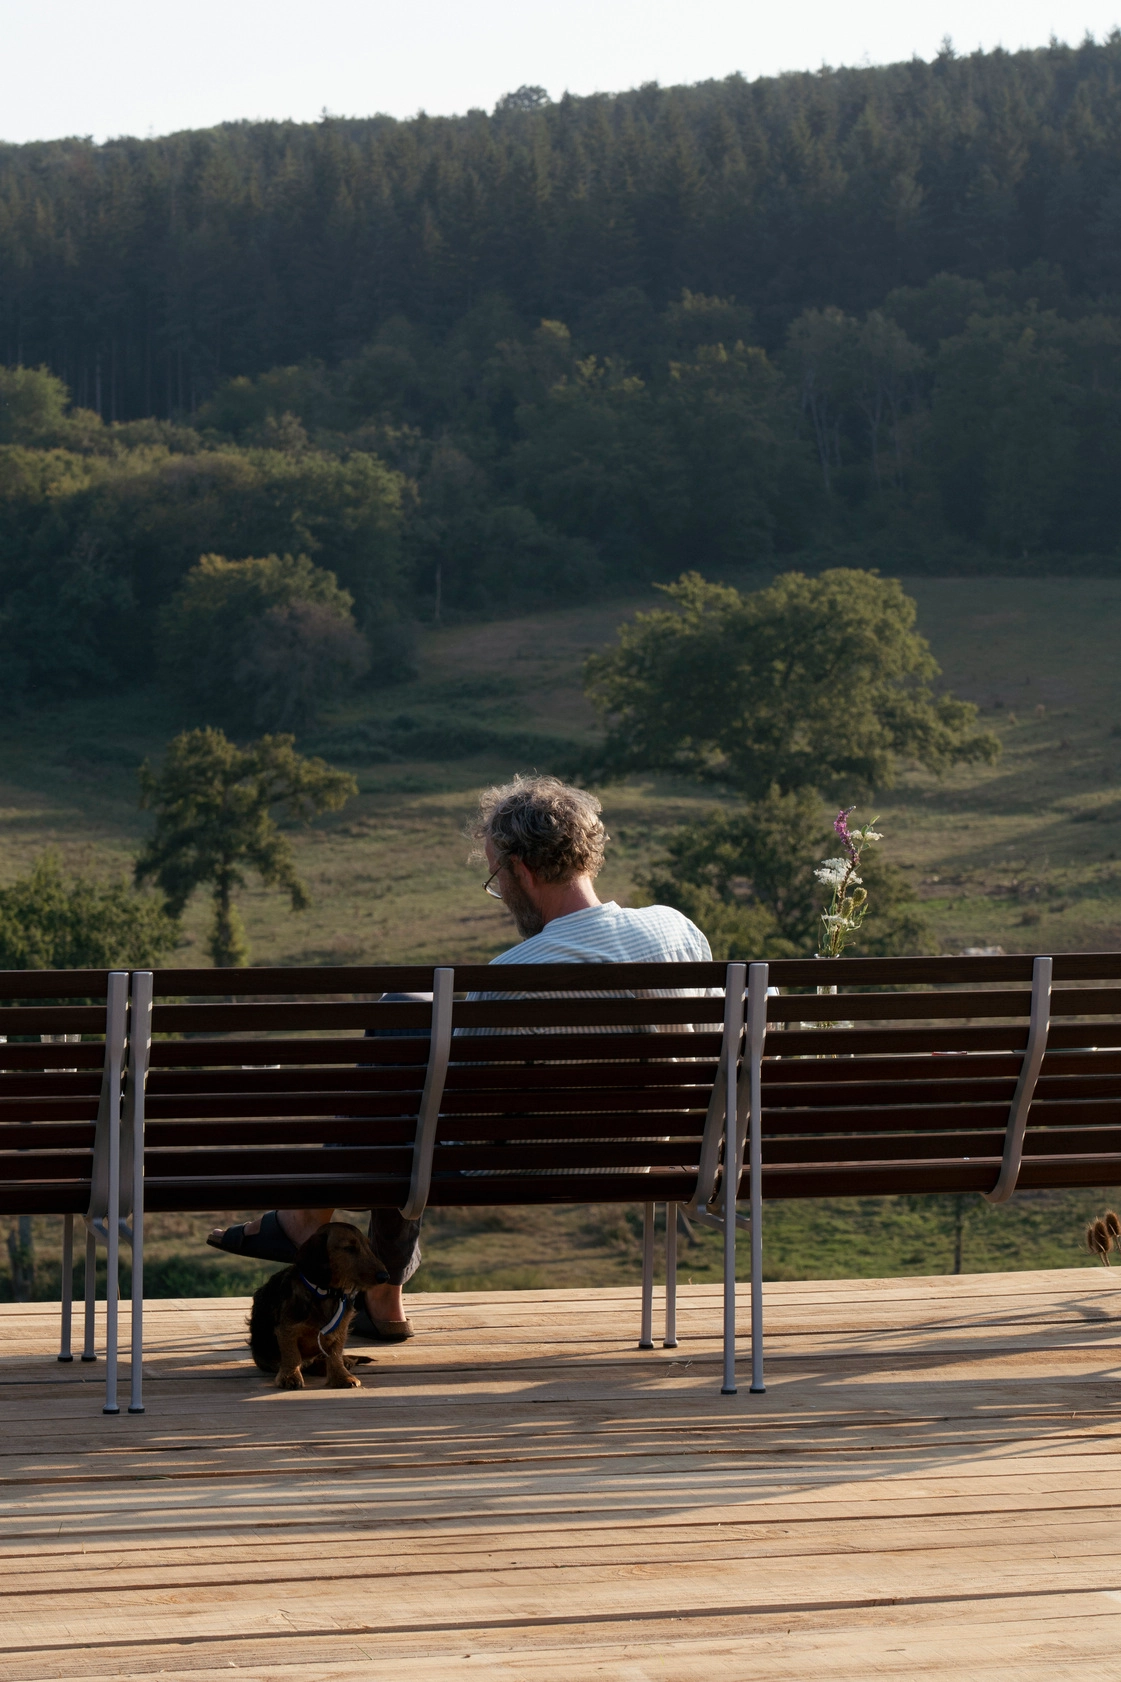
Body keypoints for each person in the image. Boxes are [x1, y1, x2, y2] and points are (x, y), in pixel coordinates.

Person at [207, 775, 711, 1339]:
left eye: (497, 878)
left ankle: (317, 1231)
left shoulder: (516, 974)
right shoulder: (678, 931)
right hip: (646, 1155)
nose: (501, 894)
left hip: (524, 1165)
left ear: (521, 869)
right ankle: (376, 1290)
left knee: (404, 1038)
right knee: (413, 1042)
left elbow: (456, 1108)